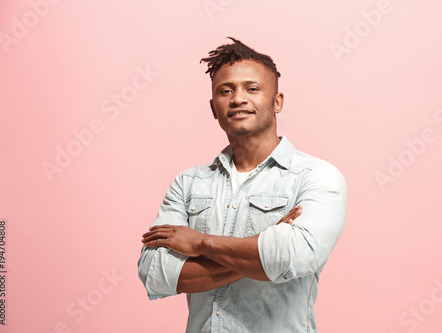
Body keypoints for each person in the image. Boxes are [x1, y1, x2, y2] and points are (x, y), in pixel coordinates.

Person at [138, 37, 347, 333]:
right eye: (226, 91)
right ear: (214, 107)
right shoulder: (188, 184)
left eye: (252, 88)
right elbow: (157, 274)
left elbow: (294, 257)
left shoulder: (316, 176)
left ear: (277, 101)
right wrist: (264, 246)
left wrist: (200, 243)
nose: (237, 98)